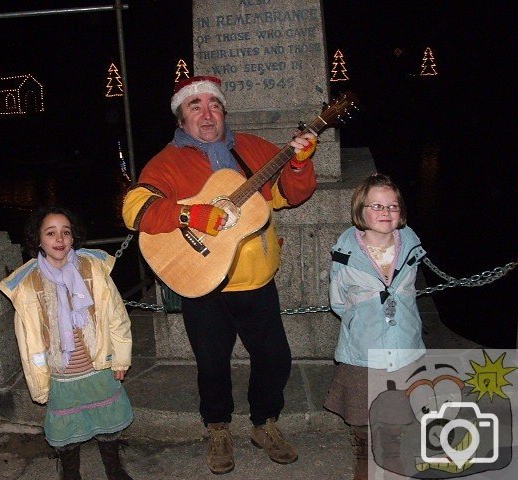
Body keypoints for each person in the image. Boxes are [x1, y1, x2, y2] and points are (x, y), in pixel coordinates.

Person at [122, 76, 317, 475]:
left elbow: (291, 194)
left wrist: (299, 162)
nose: (206, 114)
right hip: (202, 281)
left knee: (275, 360)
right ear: (181, 119)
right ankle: (218, 428)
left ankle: (264, 424)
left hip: (258, 278)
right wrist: (190, 214)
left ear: (224, 112)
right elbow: (135, 209)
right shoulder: (167, 162)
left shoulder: (253, 150)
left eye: (214, 105)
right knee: (212, 365)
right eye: (195, 107)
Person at [0, 206, 134, 480]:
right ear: (39, 240)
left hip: (98, 364)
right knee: (66, 431)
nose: (59, 239)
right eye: (51, 233)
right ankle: (70, 473)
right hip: (61, 373)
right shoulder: (28, 284)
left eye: (65, 232)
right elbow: (28, 343)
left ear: (73, 238)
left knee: (108, 422)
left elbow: (116, 316)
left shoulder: (92, 268)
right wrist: (39, 384)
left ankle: (114, 469)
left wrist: (120, 358)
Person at [324, 174, 426, 480]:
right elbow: (338, 301)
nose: (386, 212)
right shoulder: (345, 255)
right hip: (363, 350)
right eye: (377, 205)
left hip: (405, 346)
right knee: (362, 413)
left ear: (401, 212)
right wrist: (362, 321)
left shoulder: (410, 246)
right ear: (361, 211)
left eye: (393, 206)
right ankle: (364, 455)